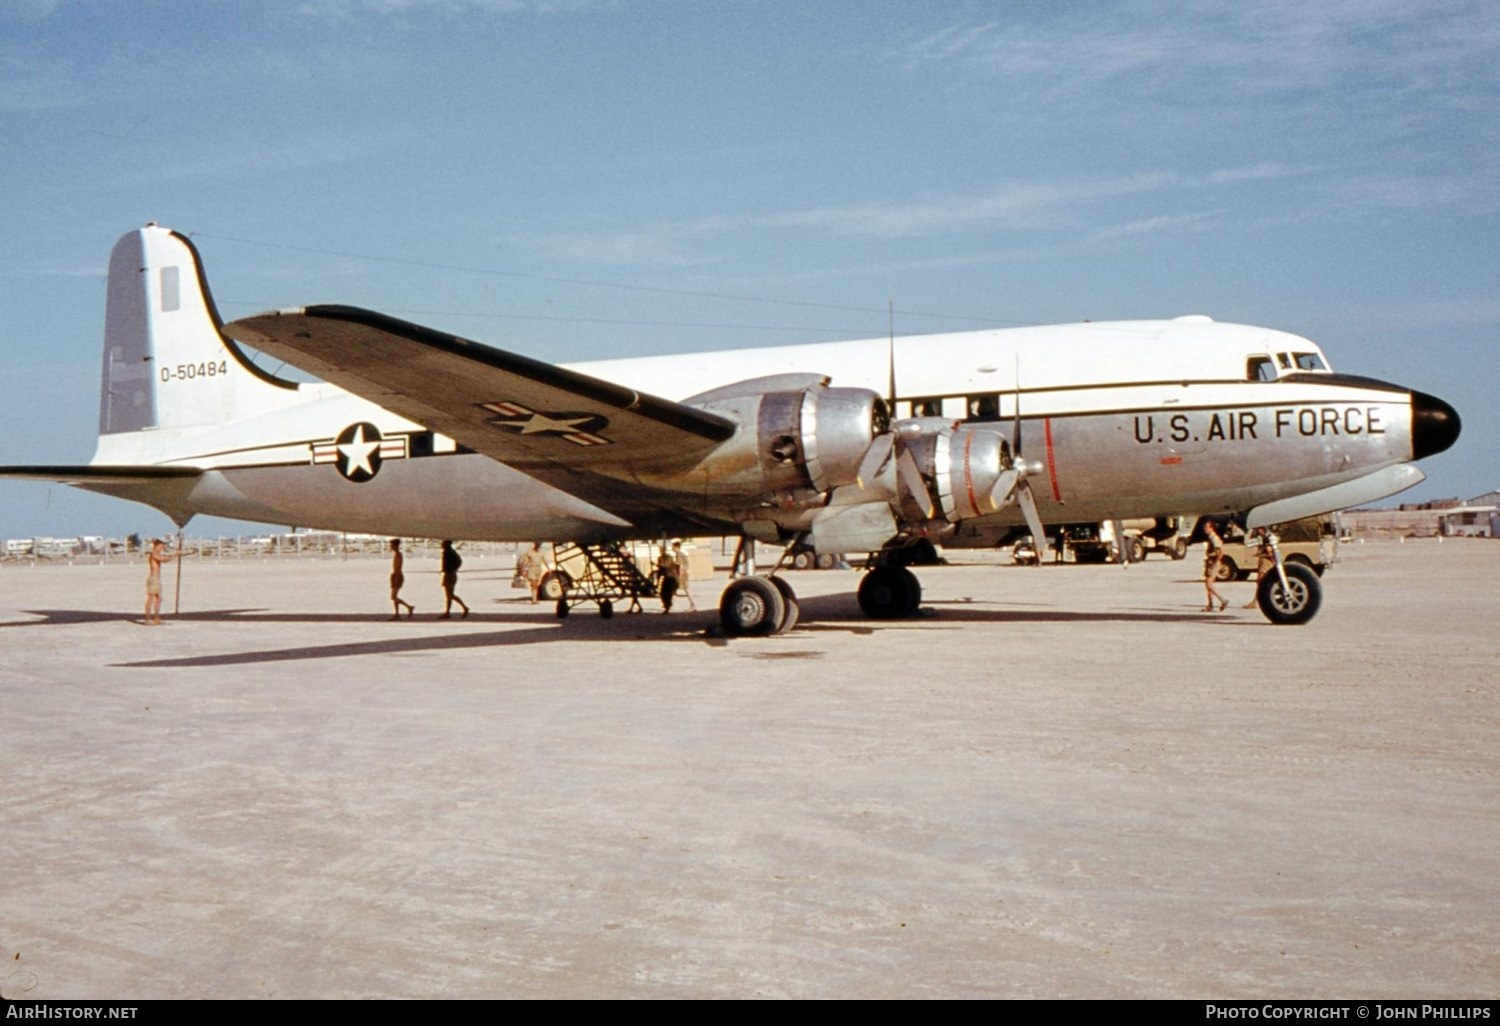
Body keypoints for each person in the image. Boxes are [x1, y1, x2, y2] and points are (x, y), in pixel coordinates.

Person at [1202, 518, 1229, 612]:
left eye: (1206, 527)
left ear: (1211, 528)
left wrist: (1216, 563)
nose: (1205, 529)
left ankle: (1222, 599)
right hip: (1210, 562)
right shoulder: (1210, 538)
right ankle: (1210, 605)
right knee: (1207, 584)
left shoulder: (1214, 538)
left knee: (1209, 584)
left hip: (1214, 563)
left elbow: (1220, 551)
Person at [440, 540, 469, 618]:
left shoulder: (448, 553)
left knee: (450, 595)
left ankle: (463, 608)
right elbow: (458, 562)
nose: (441, 545)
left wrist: (451, 569)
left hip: (449, 575)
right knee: (449, 595)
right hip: (450, 574)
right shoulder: (450, 552)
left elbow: (457, 562)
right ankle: (448, 612)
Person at [144, 537, 168, 625]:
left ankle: (156, 618)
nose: (162, 548)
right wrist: (176, 555)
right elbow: (164, 560)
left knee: (158, 598)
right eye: (161, 546)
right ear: (157, 546)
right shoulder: (153, 554)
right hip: (153, 578)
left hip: (157, 578)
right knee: (150, 598)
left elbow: (165, 557)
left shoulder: (157, 554)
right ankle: (147, 619)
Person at [388, 538, 414, 619]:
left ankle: (409, 607)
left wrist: (396, 578)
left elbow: (398, 568)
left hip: (397, 576)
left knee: (393, 597)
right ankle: (397, 614)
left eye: (392, 545)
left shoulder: (399, 555)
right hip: (395, 575)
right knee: (395, 596)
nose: (391, 546)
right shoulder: (397, 555)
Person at [668, 540, 696, 611]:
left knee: (686, 589)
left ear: (676, 546)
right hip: (684, 572)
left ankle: (693, 605)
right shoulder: (680, 553)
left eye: (672, 546)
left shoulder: (679, 554)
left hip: (682, 573)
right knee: (675, 589)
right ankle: (669, 605)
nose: (672, 548)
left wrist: (677, 574)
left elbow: (678, 565)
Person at [656, 544, 678, 613]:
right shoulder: (660, 558)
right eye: (660, 550)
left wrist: (657, 564)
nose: (661, 552)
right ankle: (666, 605)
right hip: (665, 577)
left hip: (670, 577)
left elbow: (666, 566)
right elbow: (660, 569)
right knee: (662, 593)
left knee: (668, 593)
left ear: (665, 550)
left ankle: (667, 606)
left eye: (662, 550)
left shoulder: (668, 557)